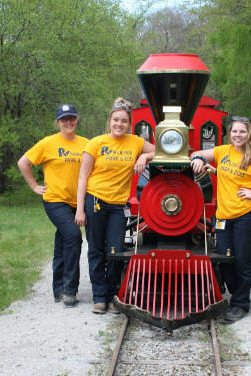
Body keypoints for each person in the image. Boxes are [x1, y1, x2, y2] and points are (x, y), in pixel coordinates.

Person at [190, 117, 251, 322]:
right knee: (224, 260)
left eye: (242, 132)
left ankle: (241, 304)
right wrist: (199, 159)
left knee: (242, 260)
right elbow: (197, 153)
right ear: (229, 134)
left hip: (245, 216)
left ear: (249, 134)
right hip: (223, 216)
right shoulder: (223, 151)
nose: (238, 135)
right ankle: (235, 294)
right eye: (234, 132)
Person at [74, 97, 155, 314]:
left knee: (116, 251)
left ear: (129, 124)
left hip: (119, 206)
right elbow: (83, 178)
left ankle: (113, 295)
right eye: (116, 120)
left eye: (124, 121)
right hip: (96, 202)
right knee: (96, 249)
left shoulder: (135, 142)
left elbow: (162, 150)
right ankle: (100, 297)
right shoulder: (96, 143)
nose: (119, 124)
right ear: (109, 121)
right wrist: (80, 208)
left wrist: (144, 156)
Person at [18, 104, 89, 307]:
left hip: (78, 201)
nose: (69, 122)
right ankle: (70, 289)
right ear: (58, 122)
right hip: (55, 200)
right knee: (74, 236)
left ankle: (57, 288)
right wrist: (34, 186)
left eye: (72, 118)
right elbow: (23, 162)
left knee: (63, 242)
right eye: (64, 119)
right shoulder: (48, 143)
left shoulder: (86, 143)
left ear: (76, 120)